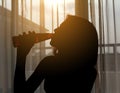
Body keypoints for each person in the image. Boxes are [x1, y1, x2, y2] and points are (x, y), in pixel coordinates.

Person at [14, 15, 98, 93]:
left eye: (61, 28)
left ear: (72, 37)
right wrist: (22, 53)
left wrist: (21, 55)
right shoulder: (90, 72)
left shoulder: (50, 64)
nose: (55, 30)